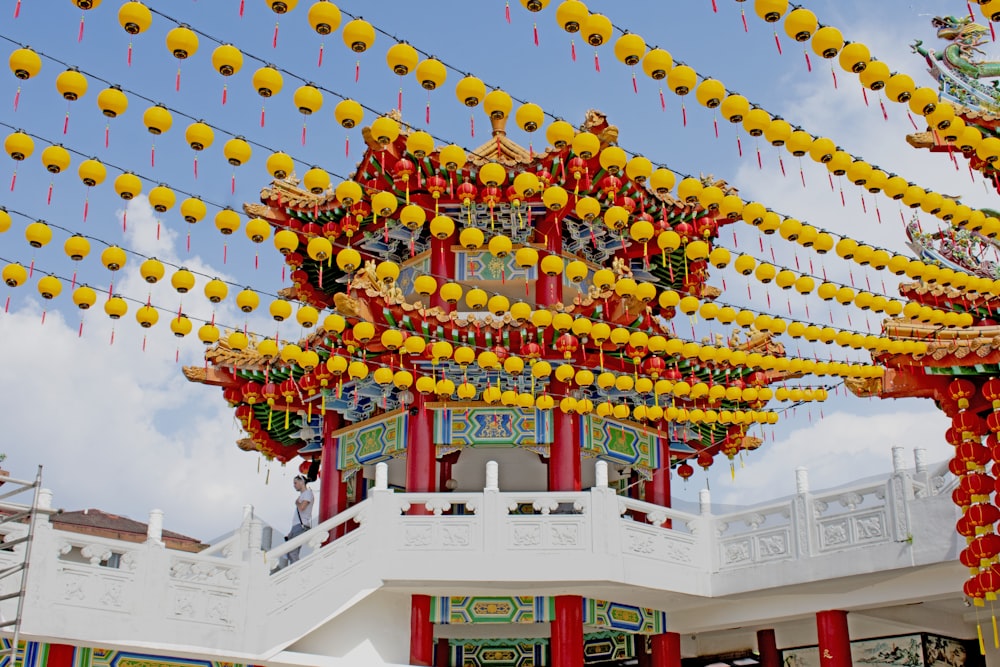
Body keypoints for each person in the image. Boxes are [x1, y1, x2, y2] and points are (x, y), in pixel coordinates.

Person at [285, 475, 314, 565]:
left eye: (295, 483)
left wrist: (297, 503)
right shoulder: (303, 494)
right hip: (297, 526)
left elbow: (302, 507)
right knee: (289, 552)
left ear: (302, 482)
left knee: (293, 552)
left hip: (301, 526)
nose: (294, 485)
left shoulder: (308, 493)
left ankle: (296, 571)